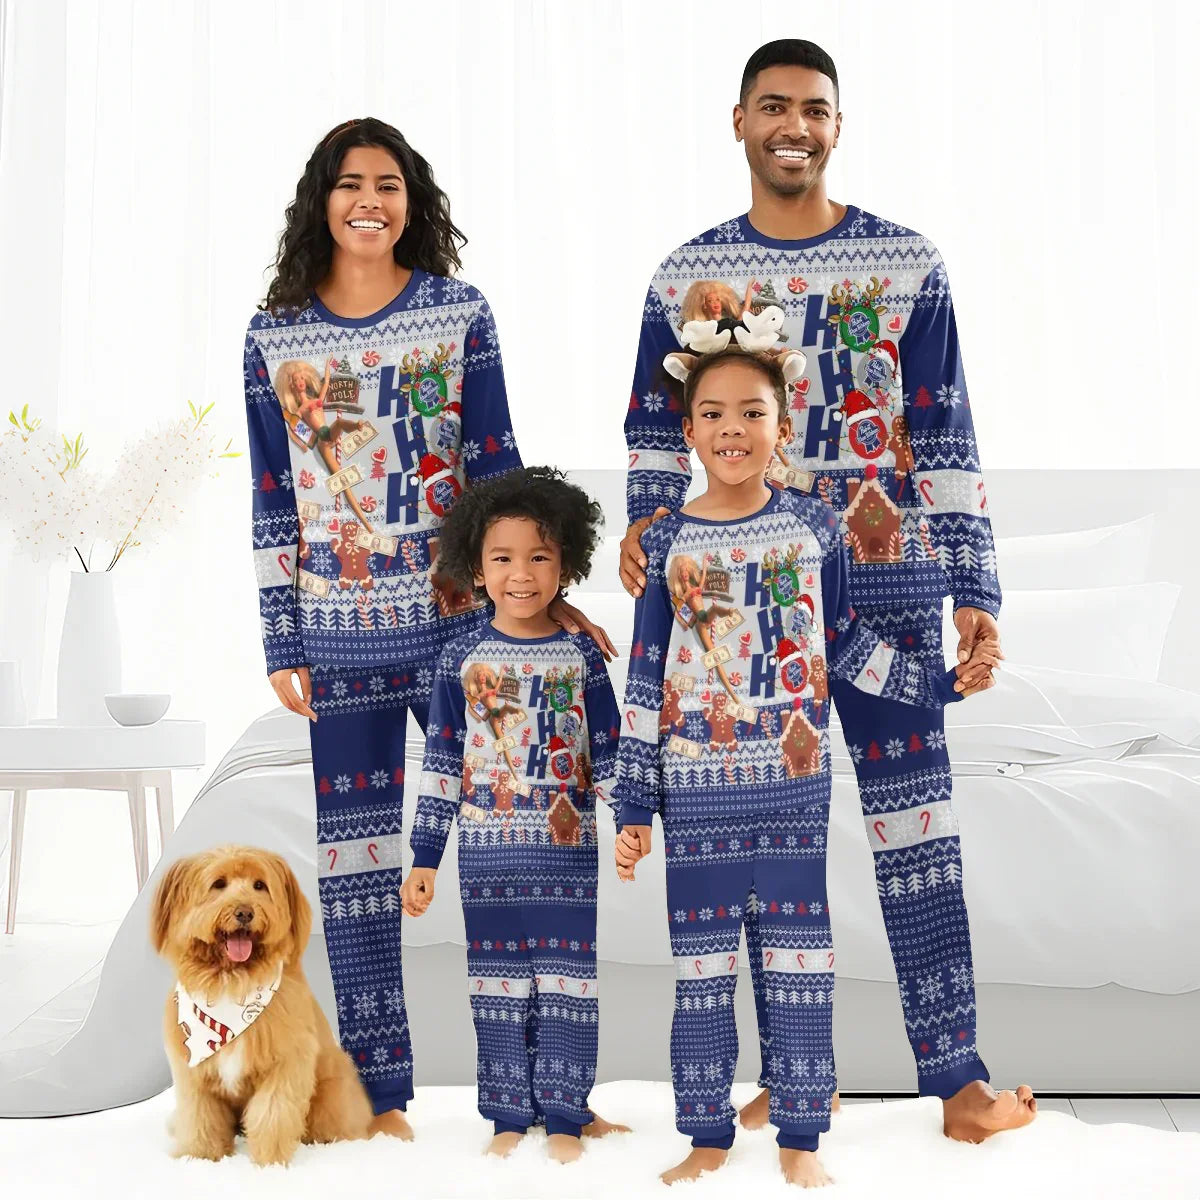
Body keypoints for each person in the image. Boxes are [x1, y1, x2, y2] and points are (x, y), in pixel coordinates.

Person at [620, 39, 1037, 1146]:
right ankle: (796, 1078)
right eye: (773, 106)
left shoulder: (909, 263)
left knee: (918, 840)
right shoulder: (684, 275)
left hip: (892, 593)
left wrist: (974, 587)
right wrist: (646, 526)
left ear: (837, 126)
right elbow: (655, 429)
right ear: (740, 122)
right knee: (770, 855)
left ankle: (959, 1084)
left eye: (813, 108)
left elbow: (944, 429)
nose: (793, 126)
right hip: (750, 618)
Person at [244, 118, 613, 1138]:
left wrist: (543, 593)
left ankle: (548, 1095)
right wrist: (281, 636)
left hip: (463, 632)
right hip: (337, 637)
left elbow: (497, 463)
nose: (370, 200)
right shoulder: (274, 333)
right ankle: (381, 1098)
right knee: (356, 873)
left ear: (413, 202)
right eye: (351, 183)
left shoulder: (458, 313)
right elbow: (273, 493)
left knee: (513, 844)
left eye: (389, 184)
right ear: (322, 200)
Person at [614, 348, 979, 1187]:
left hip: (794, 786)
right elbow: (644, 677)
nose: (732, 430)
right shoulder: (664, 541)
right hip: (696, 788)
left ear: (782, 428)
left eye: (752, 412)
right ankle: (706, 1135)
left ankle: (801, 1137)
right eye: (713, 414)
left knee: (799, 960)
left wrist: (937, 685)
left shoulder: (817, 526)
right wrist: (633, 805)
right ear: (688, 430)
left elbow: (843, 643)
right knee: (700, 971)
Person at [400, 467, 627, 1162]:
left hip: (566, 856)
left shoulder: (581, 653)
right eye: (502, 558)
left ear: (567, 566)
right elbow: (441, 765)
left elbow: (610, 749)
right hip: (487, 858)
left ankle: (565, 1114)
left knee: (567, 985)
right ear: (477, 567)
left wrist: (636, 818)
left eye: (540, 557)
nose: (521, 575)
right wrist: (425, 860)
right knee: (496, 987)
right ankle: (506, 1114)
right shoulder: (459, 658)